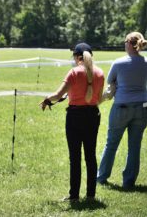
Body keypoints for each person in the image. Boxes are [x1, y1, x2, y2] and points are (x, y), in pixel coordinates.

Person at [40, 43, 104, 202]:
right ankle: (91, 195)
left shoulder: (74, 72)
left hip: (75, 116)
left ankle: (74, 195)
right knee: (91, 156)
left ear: (77, 57)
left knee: (75, 157)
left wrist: (47, 99)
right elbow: (98, 97)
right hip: (93, 115)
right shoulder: (100, 73)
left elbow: (57, 94)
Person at [97, 32, 147, 188]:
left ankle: (101, 177)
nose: (124, 44)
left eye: (125, 41)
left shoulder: (119, 63)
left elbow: (110, 81)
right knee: (135, 146)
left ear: (130, 43)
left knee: (111, 144)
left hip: (122, 107)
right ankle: (129, 181)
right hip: (143, 107)